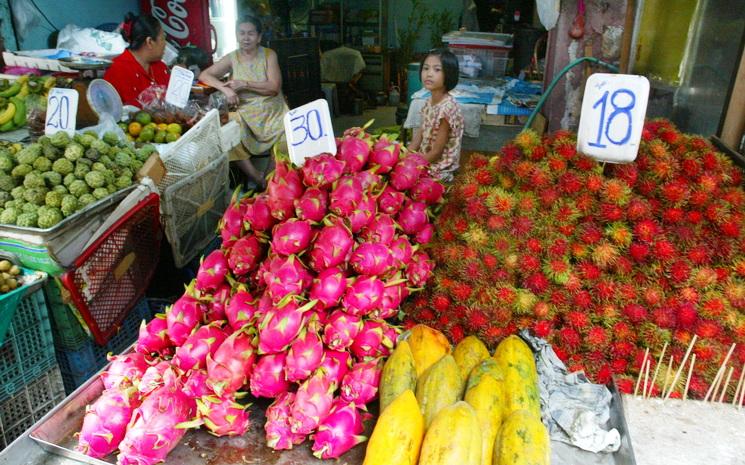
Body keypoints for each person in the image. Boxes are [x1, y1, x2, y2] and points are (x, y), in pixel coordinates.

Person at [199, 15, 288, 189]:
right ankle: (257, 178)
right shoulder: (232, 57)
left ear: (259, 37)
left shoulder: (269, 55)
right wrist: (225, 88)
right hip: (244, 111)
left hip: (272, 110)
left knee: (287, 133)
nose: (246, 38)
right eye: (241, 33)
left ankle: (270, 180)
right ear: (236, 35)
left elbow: (274, 87)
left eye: (251, 33)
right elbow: (204, 75)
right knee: (227, 131)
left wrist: (244, 84)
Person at [408, 49, 465, 183]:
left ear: (449, 74)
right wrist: (405, 155)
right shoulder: (429, 102)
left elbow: (436, 152)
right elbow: (420, 136)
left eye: (437, 70)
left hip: (439, 169)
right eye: (426, 68)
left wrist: (412, 166)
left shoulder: (447, 108)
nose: (429, 74)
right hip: (424, 160)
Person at [103, 13, 169, 107]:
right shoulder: (117, 70)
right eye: (162, 39)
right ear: (149, 42)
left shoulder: (161, 67)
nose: (165, 44)